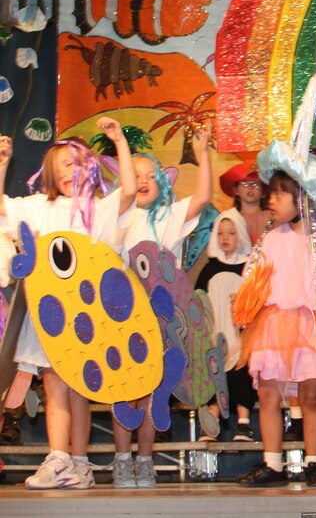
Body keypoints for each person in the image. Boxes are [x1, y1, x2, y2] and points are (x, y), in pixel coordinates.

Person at [0, 120, 136, 489]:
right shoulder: (38, 207)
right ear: (49, 172)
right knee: (55, 381)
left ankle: (79, 463)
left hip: (86, 311)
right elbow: (1, 209)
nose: (71, 171)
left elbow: (128, 193)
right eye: (63, 164)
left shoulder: (96, 208)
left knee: (79, 385)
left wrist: (119, 140)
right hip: (49, 311)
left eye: (78, 164)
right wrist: (2, 165)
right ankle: (59, 457)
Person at [235, 155, 316, 488]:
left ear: (302, 198)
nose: (271, 200)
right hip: (274, 323)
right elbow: (254, 279)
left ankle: (313, 461)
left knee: (311, 395)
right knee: (268, 393)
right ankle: (273, 463)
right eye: (273, 194)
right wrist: (245, 307)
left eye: (280, 194)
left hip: (313, 325)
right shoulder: (270, 238)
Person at [111, 129, 212, 488]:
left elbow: (203, 197)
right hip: (125, 316)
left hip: (163, 317)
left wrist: (202, 154)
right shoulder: (119, 220)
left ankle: (145, 459)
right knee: (126, 387)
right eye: (134, 175)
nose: (142, 181)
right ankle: (122, 459)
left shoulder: (170, 215)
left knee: (156, 389)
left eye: (150, 175)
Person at [194, 210, 256, 442]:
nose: (226, 238)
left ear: (240, 234)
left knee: (241, 376)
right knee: (215, 376)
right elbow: (198, 300)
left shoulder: (248, 269)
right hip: (215, 333)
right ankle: (211, 422)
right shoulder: (209, 269)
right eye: (220, 234)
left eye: (231, 233)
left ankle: (244, 422)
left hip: (240, 335)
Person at [219, 162, 271, 245]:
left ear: (264, 193)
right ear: (236, 190)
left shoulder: (272, 218)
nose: (250, 187)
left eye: (256, 184)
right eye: (245, 183)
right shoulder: (228, 218)